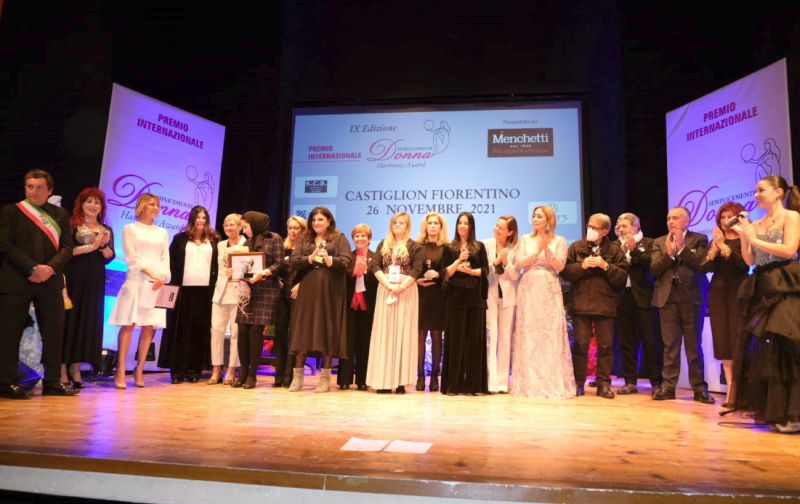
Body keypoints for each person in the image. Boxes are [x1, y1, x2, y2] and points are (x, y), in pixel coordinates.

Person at [732, 175, 800, 433]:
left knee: (787, 344)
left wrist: (753, 237)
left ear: (778, 192)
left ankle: (793, 414)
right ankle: (778, 411)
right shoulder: (756, 223)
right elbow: (751, 260)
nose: (756, 194)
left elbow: (789, 250)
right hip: (763, 285)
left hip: (785, 283)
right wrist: (744, 235)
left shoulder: (791, 217)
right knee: (768, 351)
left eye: (761, 190)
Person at [0, 169, 77, 398]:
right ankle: (6, 383)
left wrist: (49, 269)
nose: (34, 192)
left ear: (50, 190)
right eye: (30, 187)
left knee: (54, 334)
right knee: (9, 334)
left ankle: (53, 383)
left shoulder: (60, 214)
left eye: (40, 188)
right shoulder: (11, 212)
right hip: (16, 280)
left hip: (50, 281)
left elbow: (67, 248)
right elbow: (5, 245)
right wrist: (33, 268)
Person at [650, 206, 714, 404]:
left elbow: (701, 264)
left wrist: (682, 248)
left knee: (693, 346)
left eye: (676, 218)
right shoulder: (659, 242)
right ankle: (668, 387)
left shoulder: (699, 239)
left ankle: (699, 389)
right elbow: (654, 270)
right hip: (667, 298)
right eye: (669, 218)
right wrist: (669, 255)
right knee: (670, 346)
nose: (671, 221)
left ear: (687, 220)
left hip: (691, 298)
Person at [561, 213, 628, 399]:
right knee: (580, 345)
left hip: (605, 304)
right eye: (589, 226)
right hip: (580, 303)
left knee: (605, 346)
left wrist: (606, 266)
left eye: (595, 228)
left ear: (605, 231)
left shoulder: (614, 250)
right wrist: (581, 266)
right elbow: (565, 272)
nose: (590, 230)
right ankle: (578, 383)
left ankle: (603, 384)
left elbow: (622, 277)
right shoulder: (576, 247)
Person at [107, 193, 170, 389]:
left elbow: (165, 258)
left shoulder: (162, 232)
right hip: (136, 281)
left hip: (155, 284)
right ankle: (120, 369)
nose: (156, 208)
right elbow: (132, 258)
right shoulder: (130, 228)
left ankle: (140, 368)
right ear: (142, 206)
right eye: (152, 204)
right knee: (129, 324)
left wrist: (163, 277)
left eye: (157, 205)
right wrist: (151, 273)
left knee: (149, 327)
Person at [511, 206, 575, 398]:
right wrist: (535, 252)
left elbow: (560, 266)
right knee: (529, 332)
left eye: (540, 216)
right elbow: (518, 264)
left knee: (549, 333)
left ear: (549, 220)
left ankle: (551, 382)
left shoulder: (559, 240)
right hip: (529, 286)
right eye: (534, 216)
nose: (535, 219)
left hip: (549, 286)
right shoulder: (525, 239)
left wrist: (546, 249)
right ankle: (529, 383)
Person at [288, 207, 352, 392]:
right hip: (308, 290)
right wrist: (310, 258)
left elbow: (347, 262)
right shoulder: (304, 239)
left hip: (330, 291)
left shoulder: (339, 238)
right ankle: (297, 377)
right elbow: (294, 261)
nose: (316, 223)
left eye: (321, 219)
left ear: (329, 221)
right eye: (314, 220)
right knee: (303, 331)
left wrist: (330, 260)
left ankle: (325, 379)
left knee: (327, 331)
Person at [60, 188, 115, 389]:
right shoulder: (72, 225)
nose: (93, 206)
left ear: (102, 207)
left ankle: (76, 368)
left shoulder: (106, 229)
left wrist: (103, 246)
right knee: (70, 321)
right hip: (74, 278)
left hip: (95, 281)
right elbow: (66, 252)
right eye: (89, 201)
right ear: (81, 204)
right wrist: (90, 247)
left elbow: (110, 257)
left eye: (97, 202)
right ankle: (61, 369)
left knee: (86, 322)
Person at [159, 206, 218, 384]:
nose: (201, 220)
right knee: (180, 332)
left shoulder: (214, 240)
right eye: (198, 217)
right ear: (192, 219)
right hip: (182, 291)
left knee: (199, 332)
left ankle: (194, 370)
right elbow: (170, 262)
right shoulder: (180, 239)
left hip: (205, 292)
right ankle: (177, 371)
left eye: (204, 217)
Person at [366, 212, 424, 394]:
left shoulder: (415, 246)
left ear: (407, 226)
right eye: (395, 223)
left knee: (403, 335)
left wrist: (400, 287)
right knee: (385, 334)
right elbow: (375, 266)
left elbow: (417, 270)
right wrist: (389, 285)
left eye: (402, 223)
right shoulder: (383, 244)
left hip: (406, 292)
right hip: (386, 290)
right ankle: (383, 381)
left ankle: (400, 382)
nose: (398, 225)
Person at [699, 202, 748, 407]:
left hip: (739, 292)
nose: (726, 220)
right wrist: (714, 248)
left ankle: (741, 390)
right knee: (723, 342)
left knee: (738, 340)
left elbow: (743, 265)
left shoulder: (745, 236)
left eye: (730, 216)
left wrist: (724, 247)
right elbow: (704, 267)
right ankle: (730, 390)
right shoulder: (716, 240)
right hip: (718, 294)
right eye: (722, 217)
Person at [441, 211, 489, 395]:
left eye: (466, 223)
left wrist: (471, 272)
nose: (462, 226)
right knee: (456, 342)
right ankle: (454, 385)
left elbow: (485, 271)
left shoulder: (479, 246)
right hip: (455, 298)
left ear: (471, 226)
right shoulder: (449, 247)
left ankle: (473, 386)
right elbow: (446, 272)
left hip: (475, 298)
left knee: (475, 342)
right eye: (460, 222)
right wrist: (458, 261)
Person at [233, 211, 283, 389]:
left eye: (245, 227)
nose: (243, 231)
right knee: (242, 331)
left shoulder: (274, 238)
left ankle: (252, 375)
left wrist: (264, 273)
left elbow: (279, 264)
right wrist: (236, 273)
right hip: (248, 292)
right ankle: (242, 373)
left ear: (254, 224)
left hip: (267, 291)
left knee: (255, 332)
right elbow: (246, 269)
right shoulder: (247, 243)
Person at [614, 212, 662, 396]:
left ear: (635, 226)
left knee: (650, 342)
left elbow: (652, 265)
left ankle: (656, 383)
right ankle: (630, 382)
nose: (620, 228)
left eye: (624, 225)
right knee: (627, 342)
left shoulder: (650, 243)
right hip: (622, 298)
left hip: (645, 299)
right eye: (618, 225)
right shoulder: (615, 246)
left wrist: (634, 250)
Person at [337, 224, 380, 391]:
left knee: (365, 343)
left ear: (369, 239)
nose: (360, 238)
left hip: (368, 305)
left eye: (363, 236)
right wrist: (353, 272)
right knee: (347, 342)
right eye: (357, 236)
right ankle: (345, 380)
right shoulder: (348, 256)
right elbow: (341, 277)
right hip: (349, 304)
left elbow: (380, 280)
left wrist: (367, 272)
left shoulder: (376, 257)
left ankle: (363, 380)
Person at [482, 215, 520, 394]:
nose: (496, 229)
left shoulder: (516, 249)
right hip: (489, 295)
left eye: (501, 228)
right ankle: (491, 382)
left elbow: (516, 276)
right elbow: (484, 270)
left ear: (510, 232)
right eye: (496, 226)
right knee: (491, 335)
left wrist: (506, 264)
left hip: (508, 297)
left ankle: (502, 382)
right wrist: (495, 262)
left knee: (505, 338)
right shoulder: (485, 245)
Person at [210, 213, 247, 385]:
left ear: (240, 227)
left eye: (232, 224)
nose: (228, 227)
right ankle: (216, 368)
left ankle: (231, 369)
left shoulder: (246, 244)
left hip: (238, 292)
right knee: (216, 330)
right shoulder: (220, 244)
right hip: (220, 291)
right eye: (226, 225)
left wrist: (238, 272)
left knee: (236, 333)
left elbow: (251, 267)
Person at [415, 212, 449, 392]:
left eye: (436, 223)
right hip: (421, 295)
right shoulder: (417, 246)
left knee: (436, 337)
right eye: (430, 223)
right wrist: (416, 280)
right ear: (425, 226)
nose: (433, 226)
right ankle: (420, 376)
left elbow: (450, 271)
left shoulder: (447, 248)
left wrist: (438, 274)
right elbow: (412, 269)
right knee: (420, 337)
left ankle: (435, 376)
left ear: (441, 227)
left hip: (438, 297)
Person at [273, 215, 306, 388]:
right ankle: (278, 376)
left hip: (298, 296)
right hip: (281, 296)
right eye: (290, 228)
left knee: (293, 337)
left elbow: (311, 271)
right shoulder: (283, 248)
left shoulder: (306, 248)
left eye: (296, 228)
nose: (293, 231)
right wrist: (276, 279)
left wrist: (300, 285)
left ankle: (289, 377)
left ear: (303, 230)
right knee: (279, 336)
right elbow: (275, 268)